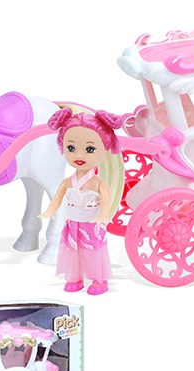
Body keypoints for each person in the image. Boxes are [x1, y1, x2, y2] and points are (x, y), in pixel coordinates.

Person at [40, 109, 124, 295]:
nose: (79, 155)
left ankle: (99, 280)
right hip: (72, 224)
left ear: (105, 151)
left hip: (91, 225)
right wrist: (50, 210)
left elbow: (106, 202)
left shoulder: (98, 183)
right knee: (73, 251)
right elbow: (57, 198)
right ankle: (75, 277)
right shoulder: (68, 181)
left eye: (89, 149)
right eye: (71, 148)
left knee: (93, 252)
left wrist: (102, 216)